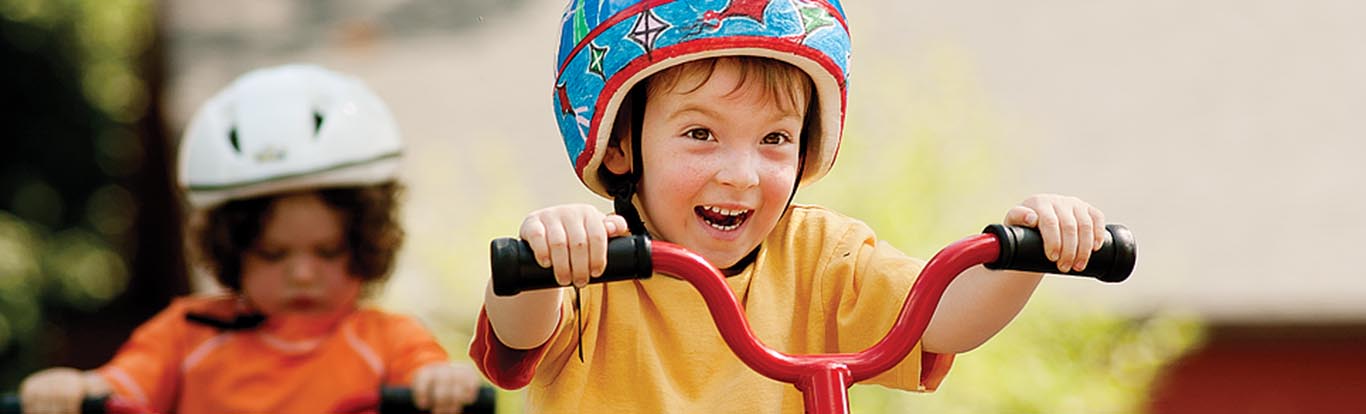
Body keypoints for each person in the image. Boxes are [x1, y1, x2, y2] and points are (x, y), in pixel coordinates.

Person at [470, 1, 1111, 412]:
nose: (742, 174)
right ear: (618, 148)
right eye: (701, 134)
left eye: (775, 139)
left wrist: (1029, 249)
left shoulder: (820, 257)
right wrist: (548, 257)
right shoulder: (596, 264)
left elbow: (943, 316)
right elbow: (519, 331)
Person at [18, 64, 483, 414]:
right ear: (231, 249)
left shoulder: (388, 340)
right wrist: (75, 389)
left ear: (367, 243)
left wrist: (439, 383)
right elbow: (122, 385)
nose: (302, 273)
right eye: (272, 253)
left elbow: (427, 374)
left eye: (328, 251)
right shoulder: (187, 333)